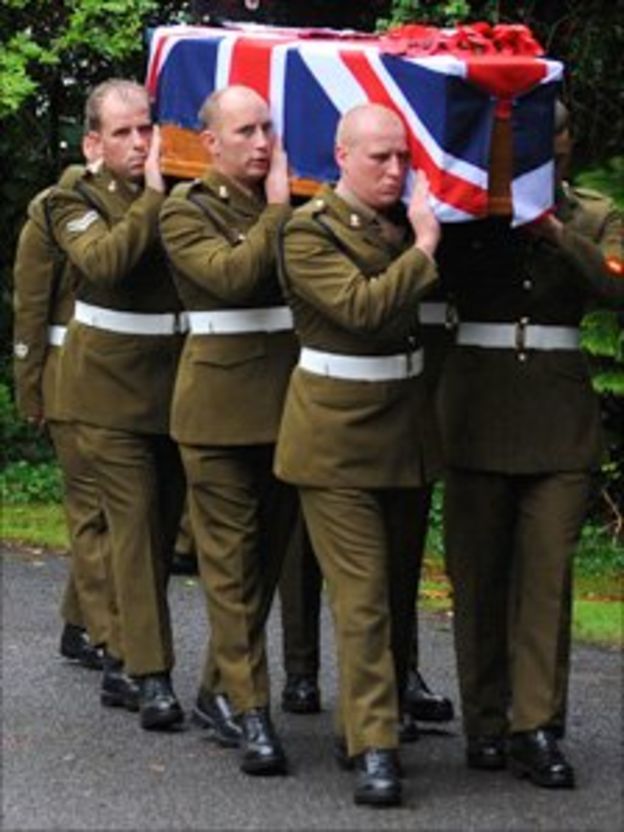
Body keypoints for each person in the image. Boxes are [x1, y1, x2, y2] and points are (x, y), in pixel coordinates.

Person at [438, 100, 623, 788]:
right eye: (535, 142)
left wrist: (550, 230)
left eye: (563, 136)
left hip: (557, 417)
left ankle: (536, 726)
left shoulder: (594, 215)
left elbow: (615, 283)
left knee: (547, 580)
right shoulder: (470, 208)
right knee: (479, 576)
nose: (555, 150)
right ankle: (486, 722)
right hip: (476, 411)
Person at [275, 103, 442, 807]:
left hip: (402, 436)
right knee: (364, 597)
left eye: (402, 158)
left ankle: (366, 720)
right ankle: (377, 746)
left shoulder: (397, 226)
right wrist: (426, 247)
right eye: (379, 158)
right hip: (335, 440)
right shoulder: (308, 233)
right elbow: (365, 309)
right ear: (340, 156)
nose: (394, 171)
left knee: (398, 594)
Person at [160, 84, 300, 775]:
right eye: (244, 131)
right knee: (231, 570)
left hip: (285, 412)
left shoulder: (297, 207)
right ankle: (252, 713)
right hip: (215, 414)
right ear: (210, 143)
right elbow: (233, 277)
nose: (261, 142)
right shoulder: (186, 210)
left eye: (268, 128)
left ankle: (221, 688)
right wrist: (278, 210)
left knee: (263, 567)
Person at [47, 79, 186, 731]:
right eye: (125, 133)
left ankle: (131, 654)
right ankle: (145, 673)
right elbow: (105, 262)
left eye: (147, 128)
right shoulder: (74, 199)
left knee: (159, 534)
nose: (140, 142)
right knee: (130, 528)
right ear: (94, 143)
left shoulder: (184, 192)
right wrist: (156, 196)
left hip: (174, 390)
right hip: (102, 393)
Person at [13, 157, 116, 671]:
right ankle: (107, 636)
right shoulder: (54, 210)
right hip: (64, 374)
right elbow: (30, 307)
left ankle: (80, 622)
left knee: (108, 511)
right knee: (93, 508)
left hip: (116, 378)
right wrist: (30, 390)